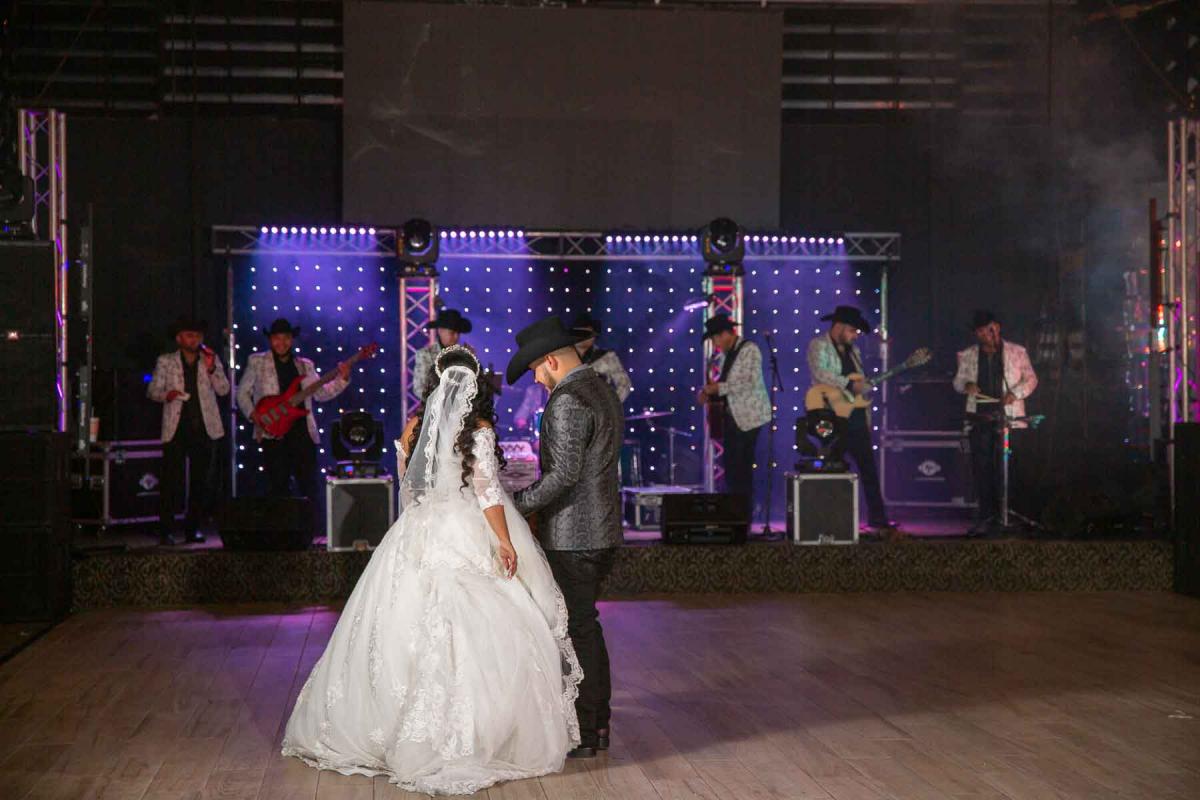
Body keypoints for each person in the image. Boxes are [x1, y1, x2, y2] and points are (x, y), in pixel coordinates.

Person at [282, 346, 582, 794]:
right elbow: (487, 492)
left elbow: (410, 487)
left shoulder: (416, 426)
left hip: (420, 528)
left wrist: (418, 511)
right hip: (463, 528)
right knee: (489, 624)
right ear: (476, 386)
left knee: (398, 623)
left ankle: (392, 729)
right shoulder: (479, 429)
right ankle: (475, 734)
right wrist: (504, 541)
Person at [507, 316, 624, 759]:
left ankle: (588, 728)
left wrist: (512, 506)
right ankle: (598, 724)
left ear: (552, 361)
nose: (537, 380)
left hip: (575, 535)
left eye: (536, 370)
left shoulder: (568, 399)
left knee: (577, 629)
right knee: (585, 626)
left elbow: (563, 475)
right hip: (602, 530)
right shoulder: (602, 389)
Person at [236, 318, 350, 518]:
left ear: (291, 340)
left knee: (308, 485)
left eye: (286, 338)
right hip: (273, 431)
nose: (281, 343)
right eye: (277, 338)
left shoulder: (305, 365)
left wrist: (343, 378)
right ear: (271, 340)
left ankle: (310, 528)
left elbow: (321, 394)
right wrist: (254, 415)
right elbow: (242, 393)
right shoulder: (257, 362)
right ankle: (281, 528)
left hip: (302, 432)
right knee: (277, 486)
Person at [806, 306, 893, 532]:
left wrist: (863, 388)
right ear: (840, 327)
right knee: (832, 468)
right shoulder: (819, 345)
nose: (855, 336)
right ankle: (828, 520)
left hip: (856, 417)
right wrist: (848, 384)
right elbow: (820, 373)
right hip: (831, 418)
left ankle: (878, 518)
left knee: (868, 468)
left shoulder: (854, 351)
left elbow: (858, 381)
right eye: (853, 331)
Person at [953, 310, 1039, 535]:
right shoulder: (968, 355)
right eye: (980, 331)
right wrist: (967, 385)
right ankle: (986, 515)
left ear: (997, 328)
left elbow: (1031, 379)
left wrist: (1015, 393)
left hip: (1008, 419)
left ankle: (1007, 514)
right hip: (980, 419)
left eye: (988, 329)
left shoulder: (1017, 352)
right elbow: (957, 382)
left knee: (1007, 468)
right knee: (982, 469)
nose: (985, 335)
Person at [147, 316, 229, 546]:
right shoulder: (166, 361)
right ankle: (166, 530)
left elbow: (224, 390)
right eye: (189, 335)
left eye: (197, 336)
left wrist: (212, 368)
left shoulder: (210, 359)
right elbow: (152, 390)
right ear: (179, 338)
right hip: (177, 428)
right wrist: (167, 394)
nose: (194, 340)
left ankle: (193, 529)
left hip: (204, 427)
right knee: (171, 481)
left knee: (200, 482)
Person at [698, 314, 771, 508]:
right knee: (731, 468)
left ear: (725, 334)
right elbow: (727, 385)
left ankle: (744, 511)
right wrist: (709, 393)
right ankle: (736, 510)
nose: (715, 344)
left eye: (715, 339)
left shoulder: (749, 349)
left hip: (749, 417)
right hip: (733, 417)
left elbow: (746, 382)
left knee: (741, 469)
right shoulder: (725, 356)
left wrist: (717, 388)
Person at [570, 313, 632, 402]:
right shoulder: (564, 358)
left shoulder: (607, 357)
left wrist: (610, 404)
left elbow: (624, 383)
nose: (582, 337)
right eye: (579, 333)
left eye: (587, 333)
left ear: (593, 336)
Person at [413, 308, 472, 400]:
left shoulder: (463, 353)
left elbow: (471, 384)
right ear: (440, 331)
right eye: (452, 333)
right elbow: (419, 388)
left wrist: (470, 360)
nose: (456, 336)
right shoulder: (425, 354)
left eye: (458, 333)